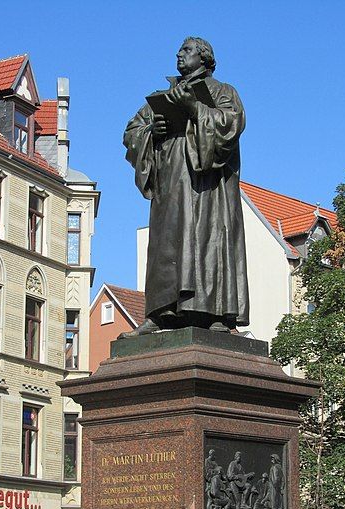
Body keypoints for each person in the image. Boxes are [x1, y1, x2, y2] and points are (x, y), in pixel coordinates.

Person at [122, 37, 249, 336]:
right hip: (169, 182)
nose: (179, 54)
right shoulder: (163, 96)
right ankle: (161, 313)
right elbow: (131, 132)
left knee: (208, 241)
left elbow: (231, 125)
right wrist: (152, 132)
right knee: (166, 245)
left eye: (187, 50)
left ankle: (217, 312)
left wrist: (194, 108)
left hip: (207, 188)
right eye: (179, 50)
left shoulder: (223, 92)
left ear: (204, 58)